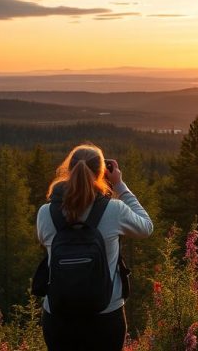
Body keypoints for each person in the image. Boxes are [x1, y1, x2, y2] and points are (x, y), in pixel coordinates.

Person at [36, 144, 153, 351]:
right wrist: (119, 185)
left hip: (59, 317)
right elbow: (146, 227)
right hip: (106, 316)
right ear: (102, 173)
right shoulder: (114, 210)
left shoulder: (45, 213)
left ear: (68, 170)